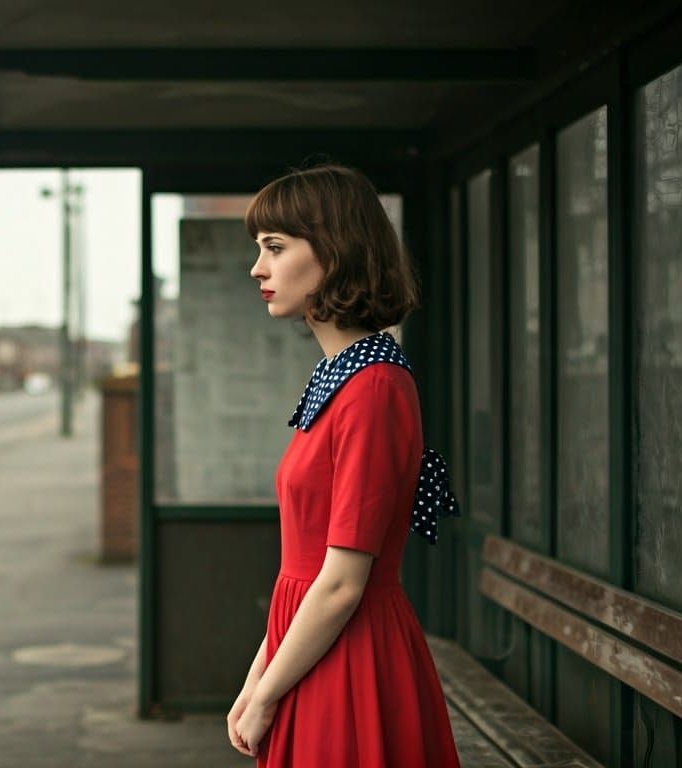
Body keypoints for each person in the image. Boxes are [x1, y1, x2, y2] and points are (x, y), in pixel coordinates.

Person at [228, 163, 462, 766]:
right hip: (316, 643)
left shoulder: (374, 387)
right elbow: (307, 576)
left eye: (275, 248)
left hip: (350, 654)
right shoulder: (343, 379)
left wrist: (266, 691)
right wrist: (259, 677)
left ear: (333, 254)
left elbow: (340, 582)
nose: (258, 268)